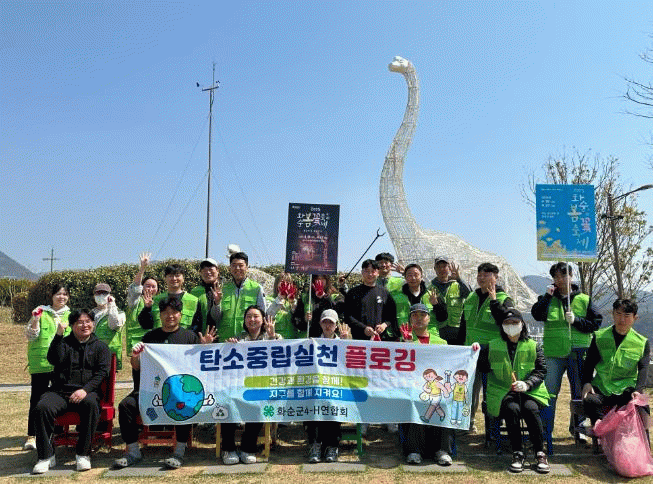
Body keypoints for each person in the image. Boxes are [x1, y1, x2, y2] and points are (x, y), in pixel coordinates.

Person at [114, 297, 216, 469]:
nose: (170, 316)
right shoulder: (149, 337)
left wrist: (204, 348)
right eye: (166, 312)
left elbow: (199, 367)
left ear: (180, 314)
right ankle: (133, 451)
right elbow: (137, 367)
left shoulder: (190, 337)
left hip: (179, 390)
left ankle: (179, 451)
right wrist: (135, 356)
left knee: (184, 402)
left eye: (174, 312)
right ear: (160, 315)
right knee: (125, 405)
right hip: (151, 390)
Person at [31, 309, 111, 474]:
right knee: (42, 407)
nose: (84, 325)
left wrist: (85, 390)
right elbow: (53, 359)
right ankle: (46, 456)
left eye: (88, 321)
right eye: (79, 322)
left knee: (91, 404)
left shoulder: (101, 347)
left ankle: (83, 454)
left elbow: (102, 373)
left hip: (87, 393)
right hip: (60, 392)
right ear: (72, 325)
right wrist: (58, 335)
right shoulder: (64, 343)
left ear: (93, 324)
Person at [531, 262, 602, 443]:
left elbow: (595, 323)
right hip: (553, 353)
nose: (560, 279)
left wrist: (577, 320)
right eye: (556, 276)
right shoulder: (548, 297)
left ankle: (578, 429)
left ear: (571, 276)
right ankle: (545, 430)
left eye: (564, 275)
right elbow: (537, 314)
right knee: (549, 392)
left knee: (579, 393)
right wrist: (547, 297)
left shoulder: (584, 299)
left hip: (578, 351)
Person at [477, 308, 550, 474]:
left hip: (530, 392)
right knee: (512, 409)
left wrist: (528, 384)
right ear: (502, 325)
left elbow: (541, 370)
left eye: (514, 322)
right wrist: (476, 351)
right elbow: (483, 366)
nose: (511, 326)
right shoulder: (492, 345)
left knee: (530, 409)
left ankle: (540, 452)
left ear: (522, 324)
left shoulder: (534, 345)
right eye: (507, 323)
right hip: (502, 391)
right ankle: (517, 452)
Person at [457, 262, 514, 436]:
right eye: (479, 274)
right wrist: (459, 348)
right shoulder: (471, 297)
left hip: (492, 354)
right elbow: (464, 325)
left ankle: (493, 427)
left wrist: (494, 301)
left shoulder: (504, 299)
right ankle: (468, 423)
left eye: (486, 274)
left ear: (496, 277)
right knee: (468, 391)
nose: (482, 278)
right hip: (470, 353)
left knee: (492, 392)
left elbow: (508, 323)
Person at [582, 299, 650, 434]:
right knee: (589, 400)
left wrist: (638, 389)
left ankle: (641, 438)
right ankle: (603, 431)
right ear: (612, 314)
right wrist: (587, 382)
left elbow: (643, 368)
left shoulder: (641, 343)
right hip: (602, 387)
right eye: (618, 314)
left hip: (626, 388)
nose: (622, 319)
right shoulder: (600, 337)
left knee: (643, 405)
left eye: (627, 316)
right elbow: (589, 362)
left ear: (635, 318)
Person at [398, 303, 454, 466]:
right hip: (413, 388)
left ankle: (442, 450)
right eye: (415, 315)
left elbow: (450, 364)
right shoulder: (403, 340)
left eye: (423, 315)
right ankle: (414, 450)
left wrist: (473, 349)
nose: (419, 318)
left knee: (444, 403)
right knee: (414, 402)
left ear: (429, 318)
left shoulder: (441, 342)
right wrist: (406, 344)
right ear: (410, 319)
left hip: (436, 389)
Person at [221, 305, 278, 464]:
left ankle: (248, 447)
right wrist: (229, 346)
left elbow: (283, 354)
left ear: (263, 319)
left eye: (256, 316)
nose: (252, 320)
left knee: (259, 403)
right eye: (249, 316)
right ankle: (228, 448)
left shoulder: (272, 336)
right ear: (244, 320)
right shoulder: (239, 339)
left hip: (263, 386)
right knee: (227, 402)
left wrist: (273, 337)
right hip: (239, 386)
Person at [24, 284, 71, 451]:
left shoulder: (71, 315)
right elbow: (31, 335)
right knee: (36, 399)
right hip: (41, 364)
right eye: (58, 293)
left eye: (65, 294)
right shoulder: (40, 312)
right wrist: (36, 319)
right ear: (51, 295)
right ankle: (32, 436)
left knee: (58, 399)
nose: (61, 297)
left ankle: (57, 432)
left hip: (62, 365)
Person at [306, 309, 351, 463]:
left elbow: (350, 364)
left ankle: (332, 445)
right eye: (324, 322)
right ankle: (315, 445)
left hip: (337, 386)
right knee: (314, 407)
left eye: (331, 323)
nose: (327, 326)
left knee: (334, 406)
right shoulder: (312, 342)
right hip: (317, 386)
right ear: (320, 323)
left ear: (336, 325)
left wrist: (345, 342)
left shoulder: (343, 342)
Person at [213, 252, 266, 342]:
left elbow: (263, 315)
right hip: (225, 340)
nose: (237, 268)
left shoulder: (256, 288)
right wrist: (216, 304)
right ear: (230, 268)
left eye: (241, 265)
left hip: (247, 341)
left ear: (247, 267)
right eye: (234, 265)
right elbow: (216, 317)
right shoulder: (223, 289)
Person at [345, 259, 399, 341]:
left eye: (373, 271)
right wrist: (363, 328)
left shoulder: (384, 293)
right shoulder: (352, 292)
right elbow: (348, 316)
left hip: (381, 339)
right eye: (367, 271)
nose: (370, 274)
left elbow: (392, 315)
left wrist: (384, 325)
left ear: (378, 273)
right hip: (358, 339)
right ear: (362, 272)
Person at [141, 264, 201, 332]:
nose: (174, 279)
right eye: (171, 276)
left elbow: (197, 326)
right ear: (165, 278)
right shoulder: (156, 300)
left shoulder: (194, 300)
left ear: (183, 278)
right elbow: (146, 325)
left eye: (177, 275)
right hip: (159, 338)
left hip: (185, 338)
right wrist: (147, 309)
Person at [391, 263, 447, 331]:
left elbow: (443, 318)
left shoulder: (432, 294)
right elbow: (390, 318)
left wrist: (436, 305)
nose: (413, 278)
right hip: (405, 335)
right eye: (409, 275)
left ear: (421, 276)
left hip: (429, 335)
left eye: (416, 275)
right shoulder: (397, 297)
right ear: (405, 277)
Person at [429, 256, 471, 344]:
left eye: (444, 266)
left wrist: (459, 279)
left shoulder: (458, 284)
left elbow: (470, 296)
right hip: (439, 330)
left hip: (457, 329)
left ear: (449, 268)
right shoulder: (430, 288)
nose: (441, 269)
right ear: (435, 269)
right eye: (438, 267)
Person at [125, 252, 159, 360]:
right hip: (137, 346)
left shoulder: (160, 302)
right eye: (147, 286)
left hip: (155, 345)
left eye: (153, 286)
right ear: (142, 287)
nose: (150, 289)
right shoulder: (134, 301)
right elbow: (135, 287)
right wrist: (142, 268)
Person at [91, 283, 126, 370]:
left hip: (111, 353)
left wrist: (112, 305)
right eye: (98, 293)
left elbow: (114, 325)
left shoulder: (119, 313)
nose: (101, 296)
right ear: (94, 296)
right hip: (94, 354)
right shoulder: (90, 313)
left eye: (104, 293)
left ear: (110, 295)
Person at [189, 257, 223, 334]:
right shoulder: (195, 292)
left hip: (223, 337)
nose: (208, 272)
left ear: (217, 271)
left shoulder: (226, 290)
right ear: (200, 273)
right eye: (204, 270)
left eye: (211, 269)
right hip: (201, 337)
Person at [266, 272, 300, 339]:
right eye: (282, 282)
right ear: (276, 284)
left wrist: (293, 302)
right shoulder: (269, 299)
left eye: (288, 283)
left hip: (293, 339)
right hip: (277, 339)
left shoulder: (292, 301)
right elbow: (268, 316)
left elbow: (298, 318)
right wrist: (280, 298)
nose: (285, 285)